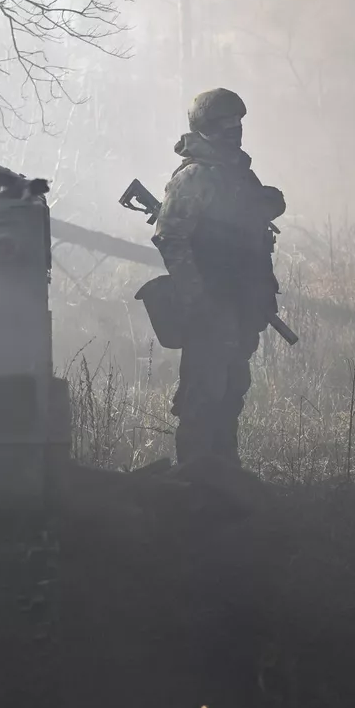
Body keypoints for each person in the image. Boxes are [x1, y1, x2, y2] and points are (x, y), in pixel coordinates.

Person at [152, 88, 285, 468]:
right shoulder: (194, 177)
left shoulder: (237, 174)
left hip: (241, 303)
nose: (235, 131)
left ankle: (224, 476)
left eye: (238, 124)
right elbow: (170, 238)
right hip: (212, 305)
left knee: (231, 391)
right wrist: (198, 300)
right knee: (203, 396)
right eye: (226, 125)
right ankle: (194, 483)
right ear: (207, 128)